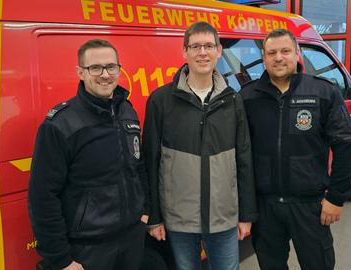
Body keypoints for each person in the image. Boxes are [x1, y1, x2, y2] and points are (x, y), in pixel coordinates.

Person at [142, 21, 258, 270]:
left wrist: (246, 215)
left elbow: (245, 160)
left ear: (218, 51)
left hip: (223, 217)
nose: (202, 52)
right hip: (179, 218)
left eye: (208, 46)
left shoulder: (233, 100)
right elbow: (150, 162)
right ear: (184, 52)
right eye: (195, 46)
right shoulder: (161, 101)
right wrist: (154, 216)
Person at [240, 29, 351, 270]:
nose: (278, 58)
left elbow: (345, 144)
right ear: (264, 58)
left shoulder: (323, 92)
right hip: (266, 207)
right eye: (271, 52)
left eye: (285, 51)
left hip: (310, 207)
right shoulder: (248, 97)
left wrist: (336, 198)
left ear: (297, 53)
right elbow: (239, 153)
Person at [28, 39, 149, 270]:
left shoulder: (126, 110)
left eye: (111, 67)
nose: (105, 74)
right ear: (80, 72)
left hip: (131, 240)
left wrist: (145, 210)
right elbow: (42, 197)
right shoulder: (60, 124)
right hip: (88, 249)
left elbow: (138, 166)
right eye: (95, 68)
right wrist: (61, 259)